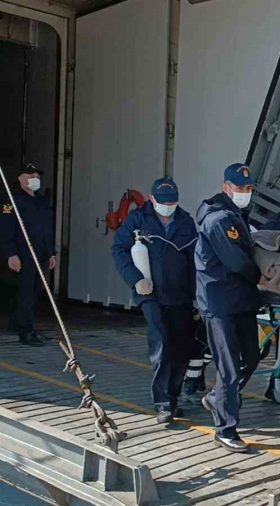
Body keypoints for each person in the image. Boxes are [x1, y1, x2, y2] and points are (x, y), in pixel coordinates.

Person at [111, 177, 198, 424]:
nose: (168, 206)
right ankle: (162, 404)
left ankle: (173, 397)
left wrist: (197, 297)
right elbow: (119, 250)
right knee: (161, 343)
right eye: (163, 202)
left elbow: (194, 260)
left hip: (181, 295)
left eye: (172, 201)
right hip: (150, 294)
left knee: (182, 347)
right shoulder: (138, 219)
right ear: (152, 199)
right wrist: (135, 279)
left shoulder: (186, 222)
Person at [194, 163, 262, 452]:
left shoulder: (236, 215)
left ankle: (216, 397)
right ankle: (225, 428)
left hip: (241, 300)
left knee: (252, 357)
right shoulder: (219, 219)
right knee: (229, 366)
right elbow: (236, 261)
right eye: (239, 188)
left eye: (248, 189)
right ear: (226, 187)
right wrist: (264, 277)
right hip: (220, 301)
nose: (244, 193)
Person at [0, 164, 56, 347]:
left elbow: (46, 229)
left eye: (37, 176)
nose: (35, 179)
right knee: (25, 292)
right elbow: (6, 229)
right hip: (23, 254)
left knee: (33, 292)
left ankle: (16, 323)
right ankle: (27, 332)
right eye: (31, 175)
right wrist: (11, 254)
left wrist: (51, 253)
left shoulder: (41, 201)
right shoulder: (12, 201)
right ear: (20, 178)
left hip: (41, 254)